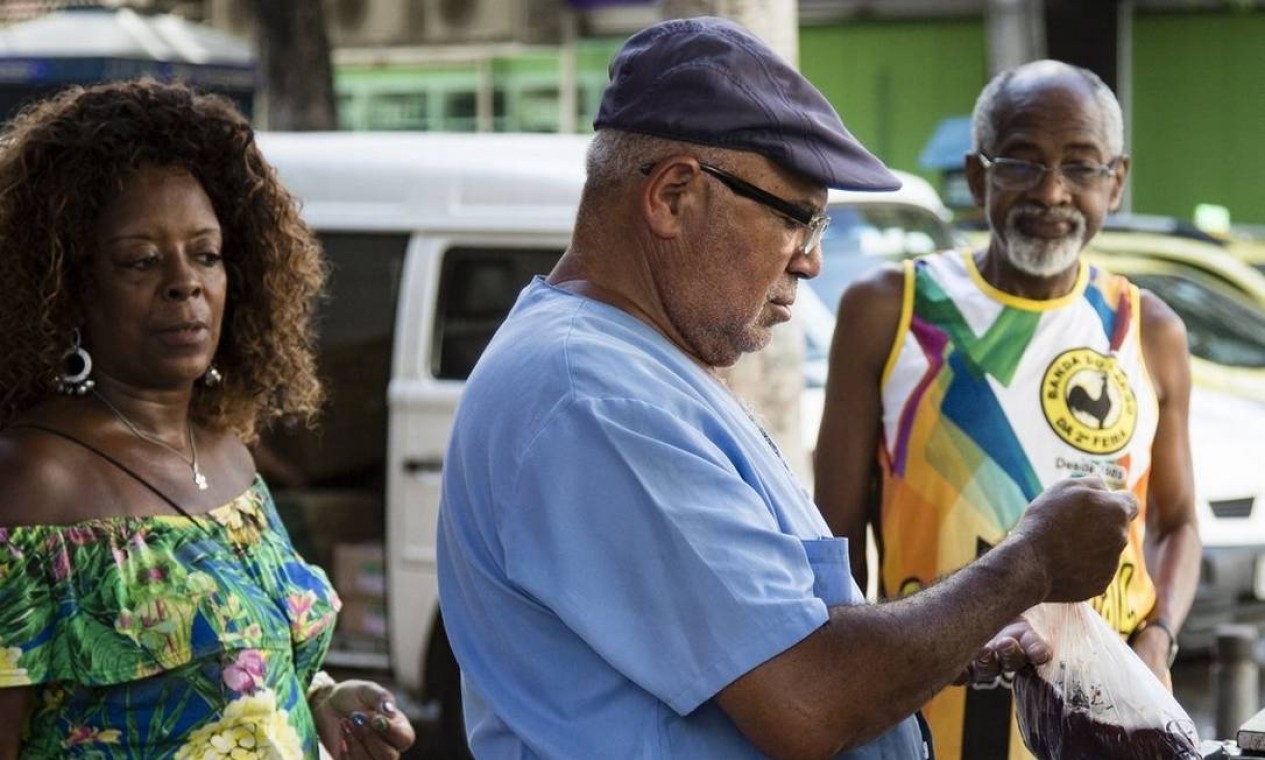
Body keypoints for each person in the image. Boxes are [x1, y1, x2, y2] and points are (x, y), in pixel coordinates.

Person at [436, 19, 1138, 759]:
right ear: (674, 195)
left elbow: (781, 633)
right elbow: (808, 697)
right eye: (798, 219)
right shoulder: (596, 397)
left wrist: (941, 634)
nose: (808, 261)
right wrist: (1026, 563)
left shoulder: (633, 368)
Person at [0, 80, 415, 759]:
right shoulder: (33, 483)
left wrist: (323, 700)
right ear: (67, 287)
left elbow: (246, 673)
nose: (184, 282)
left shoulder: (229, 457)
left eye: (207, 254)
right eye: (140, 260)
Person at [814, 59, 1202, 760]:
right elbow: (832, 546)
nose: (1051, 192)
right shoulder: (891, 310)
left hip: (1103, 720)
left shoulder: (1145, 328)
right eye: (1020, 162)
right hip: (933, 710)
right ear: (975, 174)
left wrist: (1157, 637)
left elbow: (1176, 525)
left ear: (1115, 181)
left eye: (1080, 167)